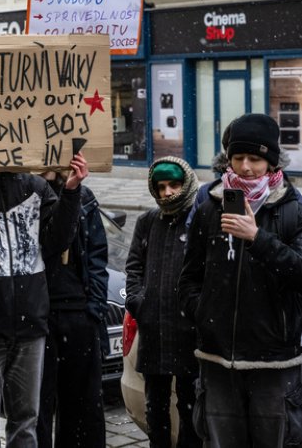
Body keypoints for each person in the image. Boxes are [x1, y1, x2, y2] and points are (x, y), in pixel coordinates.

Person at [179, 113, 302, 447]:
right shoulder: (209, 206)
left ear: (271, 162)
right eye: (238, 158)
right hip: (217, 359)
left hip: (274, 361)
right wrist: (203, 313)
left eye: (256, 159)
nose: (246, 167)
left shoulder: (293, 208)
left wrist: (257, 238)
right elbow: (189, 276)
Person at [0, 154, 88, 448]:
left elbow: (57, 241)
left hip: (31, 323)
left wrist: (70, 191)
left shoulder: (35, 187)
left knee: (25, 422)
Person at [125, 157, 201, 448]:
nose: (168, 193)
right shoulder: (147, 222)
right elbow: (134, 268)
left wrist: (196, 310)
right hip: (154, 328)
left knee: (190, 406)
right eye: (161, 187)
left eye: (174, 185)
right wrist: (138, 302)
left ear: (186, 184)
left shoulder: (199, 219)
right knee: (155, 407)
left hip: (188, 330)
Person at [36, 170, 107, 448]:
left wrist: (95, 307)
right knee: (38, 406)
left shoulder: (84, 196)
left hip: (78, 312)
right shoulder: (25, 194)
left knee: (82, 406)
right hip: (37, 314)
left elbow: (97, 254)